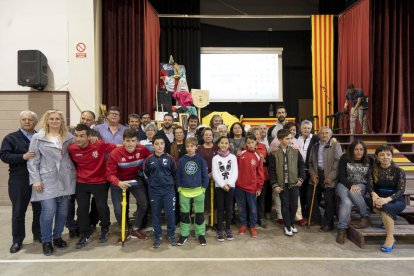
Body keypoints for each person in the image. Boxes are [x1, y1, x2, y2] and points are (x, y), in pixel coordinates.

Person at [27, 110, 76, 256]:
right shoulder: (38, 137)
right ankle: (46, 241)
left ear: (62, 121)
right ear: (47, 120)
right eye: (52, 118)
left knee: (62, 212)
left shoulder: (69, 136)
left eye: (58, 119)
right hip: (46, 179)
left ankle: (57, 237)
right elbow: (32, 160)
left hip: (66, 178)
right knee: (48, 211)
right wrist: (35, 179)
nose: (55, 121)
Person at [68, 124, 117, 249]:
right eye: (76, 136)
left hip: (100, 181)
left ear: (89, 136)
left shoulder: (99, 144)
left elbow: (116, 148)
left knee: (101, 206)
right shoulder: (71, 148)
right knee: (82, 209)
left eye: (82, 136)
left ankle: (105, 228)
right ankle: (85, 234)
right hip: (82, 182)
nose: (78, 139)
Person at [0, 110, 41, 253]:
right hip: (19, 179)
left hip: (39, 179)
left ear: (35, 122)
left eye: (30, 119)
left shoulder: (40, 137)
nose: (27, 121)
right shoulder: (11, 138)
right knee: (18, 211)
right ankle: (17, 240)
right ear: (20, 121)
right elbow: (4, 156)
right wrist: (22, 157)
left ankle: (39, 235)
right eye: (24, 119)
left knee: (39, 209)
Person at [106, 129, 152, 243]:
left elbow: (152, 160)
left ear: (137, 141)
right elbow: (109, 174)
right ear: (123, 141)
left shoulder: (142, 149)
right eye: (127, 141)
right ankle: (125, 230)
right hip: (119, 182)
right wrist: (118, 183)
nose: (130, 144)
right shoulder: (115, 153)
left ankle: (135, 228)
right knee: (118, 209)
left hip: (135, 180)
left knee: (144, 203)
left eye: (133, 141)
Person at [369, 145, 406, 252]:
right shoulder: (373, 170)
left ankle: (390, 238)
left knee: (386, 208)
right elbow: (370, 186)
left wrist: (386, 200)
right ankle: (386, 221)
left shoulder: (399, 171)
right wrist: (375, 197)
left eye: (388, 154)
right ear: (377, 157)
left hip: (395, 200)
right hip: (378, 199)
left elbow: (400, 191)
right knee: (372, 206)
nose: (385, 157)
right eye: (382, 154)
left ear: (392, 156)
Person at [269, 129, 305, 236]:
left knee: (294, 205)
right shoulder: (274, 154)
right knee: (285, 205)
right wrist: (274, 184)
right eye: (287, 138)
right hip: (282, 185)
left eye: (291, 138)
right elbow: (271, 171)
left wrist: (301, 179)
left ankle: (292, 224)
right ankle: (287, 226)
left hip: (294, 183)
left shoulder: (295, 151)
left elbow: (301, 166)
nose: (290, 140)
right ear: (280, 140)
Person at [336, 140, 373, 244]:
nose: (359, 152)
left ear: (364, 150)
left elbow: (370, 178)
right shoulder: (345, 158)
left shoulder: (369, 160)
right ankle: (342, 229)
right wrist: (351, 185)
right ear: (352, 150)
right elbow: (342, 176)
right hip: (344, 184)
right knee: (347, 202)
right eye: (356, 149)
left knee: (353, 193)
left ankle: (364, 216)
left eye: (361, 149)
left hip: (362, 185)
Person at [144, 136, 177, 248]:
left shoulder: (169, 159)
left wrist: (168, 183)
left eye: (161, 143)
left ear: (164, 145)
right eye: (157, 144)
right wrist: (154, 183)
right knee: (156, 214)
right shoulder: (149, 160)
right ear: (153, 146)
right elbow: (146, 174)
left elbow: (174, 173)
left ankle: (171, 235)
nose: (159, 146)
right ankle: (157, 236)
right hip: (154, 191)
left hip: (168, 191)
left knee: (170, 214)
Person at [308, 126, 342, 231]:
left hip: (330, 176)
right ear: (318, 135)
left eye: (326, 133)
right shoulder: (314, 146)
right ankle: (317, 219)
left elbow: (338, 163)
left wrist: (331, 177)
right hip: (317, 175)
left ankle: (328, 224)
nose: (324, 135)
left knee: (328, 200)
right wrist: (313, 174)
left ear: (330, 135)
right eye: (322, 133)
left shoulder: (335, 145)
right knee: (310, 197)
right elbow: (310, 163)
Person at [176, 137, 209, 246]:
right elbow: (178, 176)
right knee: (185, 215)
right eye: (187, 146)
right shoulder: (181, 160)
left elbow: (205, 175)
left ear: (196, 147)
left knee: (199, 215)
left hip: (198, 191)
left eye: (192, 146)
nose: (189, 148)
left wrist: (203, 188)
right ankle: (184, 235)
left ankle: (201, 234)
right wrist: (179, 188)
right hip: (184, 192)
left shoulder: (200, 159)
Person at [235, 133, 264, 238]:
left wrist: (259, 187)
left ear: (256, 143)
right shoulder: (240, 154)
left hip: (252, 188)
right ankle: (243, 224)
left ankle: (252, 226)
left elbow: (260, 173)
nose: (251, 144)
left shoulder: (258, 156)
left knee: (252, 208)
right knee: (241, 207)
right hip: (239, 186)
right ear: (246, 144)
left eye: (252, 142)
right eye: (248, 143)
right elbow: (235, 169)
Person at [212, 136, 238, 242]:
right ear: (218, 144)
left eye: (226, 143)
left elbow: (235, 172)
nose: (224, 145)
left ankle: (228, 228)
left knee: (228, 208)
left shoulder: (232, 157)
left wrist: (229, 184)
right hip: (219, 187)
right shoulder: (215, 158)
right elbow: (215, 173)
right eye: (222, 143)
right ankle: (220, 229)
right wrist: (223, 185)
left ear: (229, 145)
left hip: (230, 187)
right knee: (220, 208)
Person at [196, 128, 218, 228]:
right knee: (205, 201)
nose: (208, 136)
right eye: (206, 135)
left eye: (210, 134)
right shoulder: (199, 149)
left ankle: (215, 221)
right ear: (203, 136)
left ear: (213, 136)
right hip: (203, 178)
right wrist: (205, 174)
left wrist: (214, 173)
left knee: (215, 200)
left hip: (216, 177)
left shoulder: (217, 148)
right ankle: (206, 222)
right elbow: (197, 163)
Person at [297, 120, 319, 217]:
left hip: (311, 170)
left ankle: (308, 212)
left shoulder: (316, 138)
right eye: (304, 128)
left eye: (308, 128)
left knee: (309, 193)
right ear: (301, 129)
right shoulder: (296, 138)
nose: (306, 130)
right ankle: (300, 211)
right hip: (299, 170)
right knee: (300, 192)